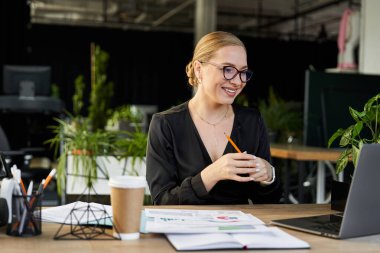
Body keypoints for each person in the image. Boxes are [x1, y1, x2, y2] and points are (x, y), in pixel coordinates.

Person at [146, 31, 282, 205]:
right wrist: (212, 174)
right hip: (187, 229)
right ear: (198, 69)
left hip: (240, 229)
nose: (237, 81)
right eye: (228, 69)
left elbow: (270, 202)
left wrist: (268, 176)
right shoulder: (165, 124)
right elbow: (162, 202)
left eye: (243, 72)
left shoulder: (251, 121)